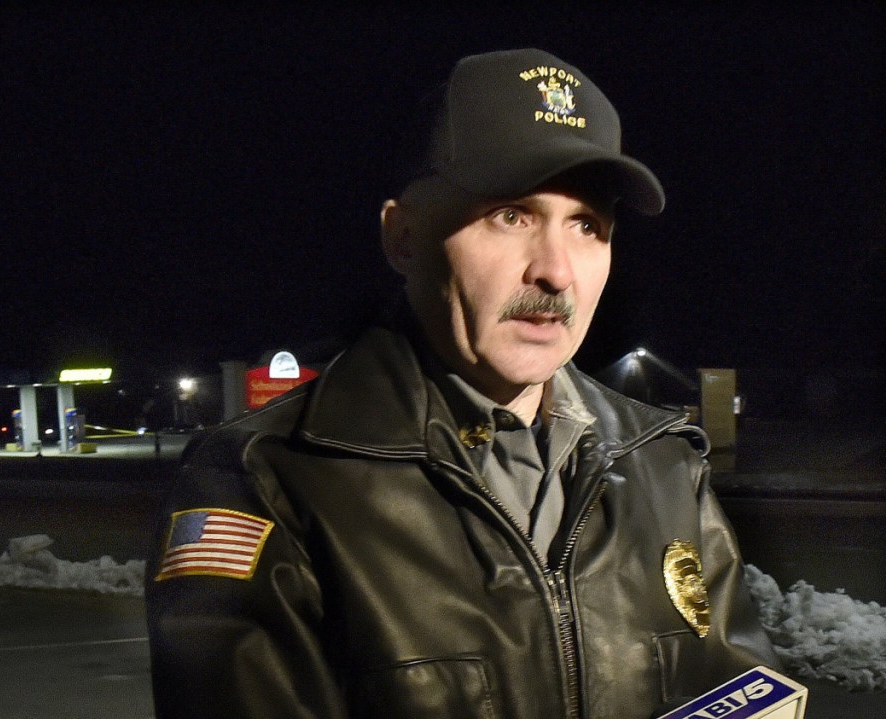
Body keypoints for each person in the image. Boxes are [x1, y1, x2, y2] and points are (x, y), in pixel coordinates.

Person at [145, 48, 780, 719]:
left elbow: (740, 698)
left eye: (587, 225)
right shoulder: (269, 479)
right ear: (404, 238)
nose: (557, 272)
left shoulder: (666, 467)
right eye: (511, 215)